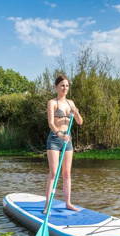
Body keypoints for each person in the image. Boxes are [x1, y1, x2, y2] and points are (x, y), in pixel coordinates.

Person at [44, 75, 83, 214]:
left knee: (67, 174)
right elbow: (51, 123)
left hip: (68, 140)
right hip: (55, 138)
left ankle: (68, 203)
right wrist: (60, 134)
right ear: (56, 87)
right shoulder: (52, 103)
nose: (65, 88)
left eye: (67, 85)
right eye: (62, 85)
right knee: (54, 173)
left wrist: (76, 112)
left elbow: (80, 122)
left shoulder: (71, 103)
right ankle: (47, 205)